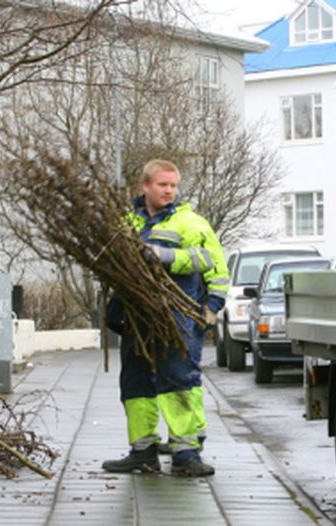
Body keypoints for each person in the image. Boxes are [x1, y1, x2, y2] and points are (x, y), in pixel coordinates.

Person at [102, 159, 229, 477]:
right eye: (163, 185)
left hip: (176, 316)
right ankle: (142, 451)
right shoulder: (127, 221)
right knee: (135, 382)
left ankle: (185, 453)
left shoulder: (191, 223)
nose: (169, 191)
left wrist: (165, 257)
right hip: (137, 317)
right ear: (145, 186)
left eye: (173, 185)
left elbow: (210, 260)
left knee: (178, 381)